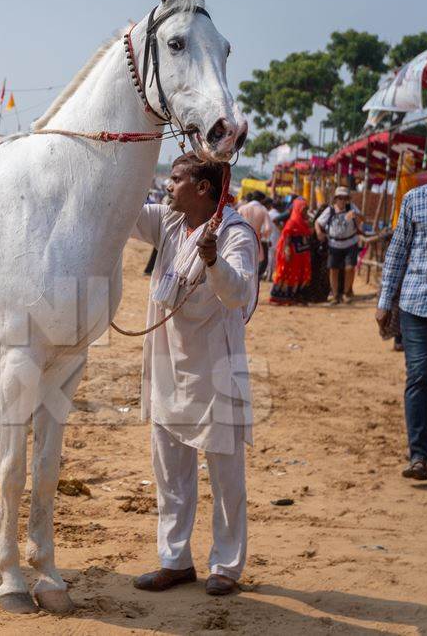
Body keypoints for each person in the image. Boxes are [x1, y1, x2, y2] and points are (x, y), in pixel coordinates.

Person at [130, 153, 259, 597]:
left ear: (204, 188)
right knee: (170, 474)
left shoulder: (234, 234)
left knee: (226, 478)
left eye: (177, 178)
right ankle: (175, 560)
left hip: (215, 369)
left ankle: (226, 566)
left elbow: (238, 291)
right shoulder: (168, 222)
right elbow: (124, 211)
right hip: (168, 365)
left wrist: (213, 262)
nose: (168, 185)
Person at [376, 147, 427, 481]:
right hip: (416, 305)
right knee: (418, 375)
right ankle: (418, 454)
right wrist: (384, 300)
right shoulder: (414, 199)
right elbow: (397, 252)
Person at [315, 186, 363, 304]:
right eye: (340, 198)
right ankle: (335, 295)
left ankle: (346, 293)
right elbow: (318, 222)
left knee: (349, 268)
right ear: (335, 199)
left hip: (350, 243)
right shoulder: (330, 210)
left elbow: (362, 218)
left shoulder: (351, 208)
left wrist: (355, 216)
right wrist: (319, 232)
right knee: (333, 269)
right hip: (334, 244)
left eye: (344, 198)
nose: (342, 200)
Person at [269, 198, 312, 305]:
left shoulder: (304, 221)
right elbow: (287, 236)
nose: (305, 211)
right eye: (303, 209)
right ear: (297, 209)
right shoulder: (292, 222)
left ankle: (295, 296)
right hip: (293, 254)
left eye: (306, 209)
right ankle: (281, 297)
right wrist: (287, 249)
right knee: (289, 273)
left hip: (302, 253)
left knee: (300, 274)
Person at [236, 191, 274, 280]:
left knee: (240, 262)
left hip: (241, 238)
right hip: (255, 239)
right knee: (254, 265)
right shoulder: (263, 209)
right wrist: (261, 235)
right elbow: (268, 228)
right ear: (261, 200)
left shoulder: (242, 208)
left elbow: (235, 223)